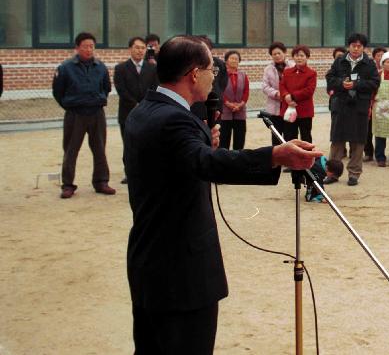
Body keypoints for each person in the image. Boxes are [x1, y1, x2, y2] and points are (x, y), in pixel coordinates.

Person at [124, 35, 321, 355]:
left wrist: (201, 146)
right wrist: (275, 156)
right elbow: (207, 163)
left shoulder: (145, 110)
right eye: (210, 71)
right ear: (192, 74)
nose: (213, 77)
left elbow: (185, 161)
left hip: (150, 263)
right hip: (180, 273)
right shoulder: (173, 120)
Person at [52, 32, 114, 199]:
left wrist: (98, 100)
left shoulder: (100, 67)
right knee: (71, 150)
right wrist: (70, 104)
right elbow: (58, 91)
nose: (89, 49)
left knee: (100, 149)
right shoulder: (65, 68)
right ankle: (68, 185)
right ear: (77, 48)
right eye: (85, 46)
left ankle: (101, 181)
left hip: (96, 113)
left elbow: (106, 87)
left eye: (92, 46)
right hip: (75, 114)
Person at [325, 33, 380, 186]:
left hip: (359, 108)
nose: (356, 48)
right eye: (353, 45)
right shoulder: (339, 61)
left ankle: (354, 174)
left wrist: (357, 85)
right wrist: (342, 83)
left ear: (363, 47)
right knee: (337, 142)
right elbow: (330, 79)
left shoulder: (369, 64)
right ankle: (332, 173)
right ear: (348, 46)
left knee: (357, 143)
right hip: (341, 106)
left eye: (359, 46)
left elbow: (375, 83)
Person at [114, 36, 158, 183]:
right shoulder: (120, 68)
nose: (140, 51)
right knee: (129, 145)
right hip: (127, 112)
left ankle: (147, 171)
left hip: (148, 112)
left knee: (148, 143)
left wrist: (146, 104)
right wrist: (135, 104)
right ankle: (130, 173)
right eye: (137, 47)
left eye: (142, 48)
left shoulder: (152, 68)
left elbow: (155, 88)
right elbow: (121, 90)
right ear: (130, 49)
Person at [279, 45, 317, 143]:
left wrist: (292, 97)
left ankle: (307, 157)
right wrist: (286, 96)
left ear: (307, 57)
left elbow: (309, 90)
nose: (299, 58)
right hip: (289, 109)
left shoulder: (311, 73)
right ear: (293, 57)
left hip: (304, 111)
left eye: (302, 55)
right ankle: (291, 157)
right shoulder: (287, 72)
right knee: (289, 136)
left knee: (306, 136)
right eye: (296, 55)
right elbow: (282, 86)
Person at [261, 42, 293, 145]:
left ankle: (290, 158)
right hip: (274, 108)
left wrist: (286, 94)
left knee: (290, 134)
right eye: (274, 54)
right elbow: (265, 87)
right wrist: (276, 94)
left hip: (290, 107)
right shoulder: (268, 69)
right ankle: (277, 158)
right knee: (276, 135)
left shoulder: (293, 66)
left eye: (279, 53)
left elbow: (297, 84)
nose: (277, 56)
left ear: (284, 53)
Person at [220, 50, 248, 150]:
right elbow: (220, 91)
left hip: (240, 110)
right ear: (226, 61)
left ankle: (238, 160)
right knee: (224, 138)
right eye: (232, 58)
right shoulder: (221, 75)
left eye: (236, 59)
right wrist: (228, 103)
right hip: (225, 110)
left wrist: (240, 104)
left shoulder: (243, 75)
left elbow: (246, 92)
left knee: (240, 138)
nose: (234, 60)